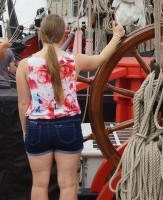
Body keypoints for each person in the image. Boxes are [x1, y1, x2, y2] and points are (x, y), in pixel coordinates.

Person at [16, 14, 125, 200]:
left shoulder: (25, 65)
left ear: (41, 35)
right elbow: (101, 58)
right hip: (68, 126)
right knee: (68, 184)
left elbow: (24, 103)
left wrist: (26, 130)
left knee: (39, 183)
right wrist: (117, 35)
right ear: (62, 36)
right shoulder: (74, 60)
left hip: (37, 127)